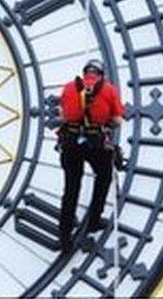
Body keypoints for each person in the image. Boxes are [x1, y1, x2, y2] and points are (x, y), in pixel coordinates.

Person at [56, 58, 125, 252]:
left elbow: (63, 115)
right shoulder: (109, 89)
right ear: (101, 74)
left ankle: (64, 236)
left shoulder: (69, 87)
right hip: (95, 144)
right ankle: (94, 219)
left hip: (70, 143)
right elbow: (118, 120)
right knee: (103, 177)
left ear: (85, 72)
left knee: (71, 188)